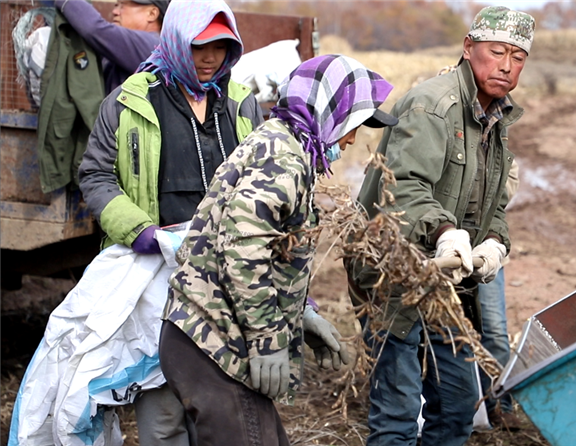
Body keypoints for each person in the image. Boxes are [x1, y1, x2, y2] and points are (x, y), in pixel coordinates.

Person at [159, 54, 397, 444]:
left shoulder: (285, 149)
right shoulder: (282, 160)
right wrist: (269, 340)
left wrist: (302, 314)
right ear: (326, 111)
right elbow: (243, 249)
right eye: (351, 126)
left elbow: (268, 248)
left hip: (211, 337)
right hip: (213, 342)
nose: (352, 139)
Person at [347, 6, 534, 446]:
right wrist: (446, 233)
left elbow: (494, 204)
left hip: (445, 282)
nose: (506, 65)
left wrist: (494, 243)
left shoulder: (495, 117)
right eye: (496, 52)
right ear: (469, 49)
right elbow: (405, 188)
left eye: (518, 57)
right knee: (397, 412)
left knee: (456, 406)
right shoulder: (434, 104)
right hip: (392, 272)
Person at [78, 0, 262, 444]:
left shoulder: (240, 105)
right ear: (177, 39)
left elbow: (262, 183)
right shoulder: (131, 101)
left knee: (219, 411)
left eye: (221, 46)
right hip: (155, 280)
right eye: (199, 45)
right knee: (163, 418)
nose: (210, 57)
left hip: (222, 281)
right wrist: (139, 230)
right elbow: (96, 174)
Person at [476, 159, 525, 432]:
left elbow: (506, 185)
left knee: (493, 331)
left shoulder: (495, 129)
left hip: (486, 250)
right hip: (439, 246)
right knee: (440, 331)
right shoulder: (438, 124)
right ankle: (453, 407)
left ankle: (498, 404)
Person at [49, 0, 169, 94]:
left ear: (152, 14)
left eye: (123, 5)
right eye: (116, 5)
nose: (115, 12)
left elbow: (95, 29)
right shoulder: (121, 49)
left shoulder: (152, 45)